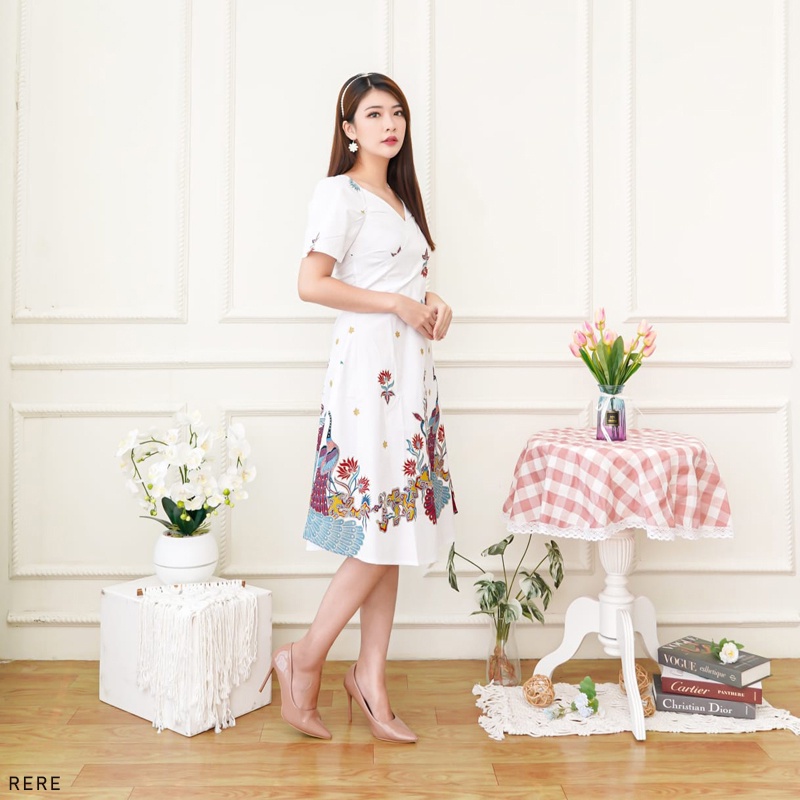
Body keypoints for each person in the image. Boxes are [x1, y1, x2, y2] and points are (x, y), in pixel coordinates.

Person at [262, 73, 457, 743]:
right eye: (373, 114)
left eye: (396, 113)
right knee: (378, 526)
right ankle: (305, 657)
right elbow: (311, 283)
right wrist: (397, 303)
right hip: (366, 375)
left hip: (409, 372)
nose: (389, 124)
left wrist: (432, 305)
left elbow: (401, 282)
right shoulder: (338, 194)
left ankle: (370, 676)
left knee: (392, 528)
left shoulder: (398, 199)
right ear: (348, 129)